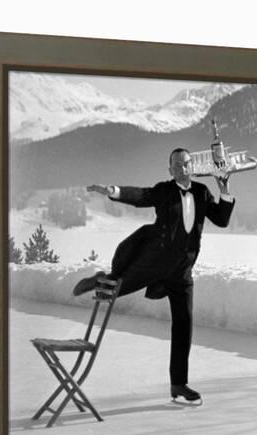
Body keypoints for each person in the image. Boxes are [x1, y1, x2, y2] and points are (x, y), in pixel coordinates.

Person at [72, 148, 235, 402]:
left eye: (186, 163)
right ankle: (100, 278)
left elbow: (222, 220)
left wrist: (224, 189)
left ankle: (178, 384)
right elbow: (141, 196)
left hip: (182, 270)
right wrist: (114, 191)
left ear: (192, 166)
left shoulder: (202, 192)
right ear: (170, 170)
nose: (182, 168)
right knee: (116, 287)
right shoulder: (164, 190)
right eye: (176, 165)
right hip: (155, 261)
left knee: (184, 325)